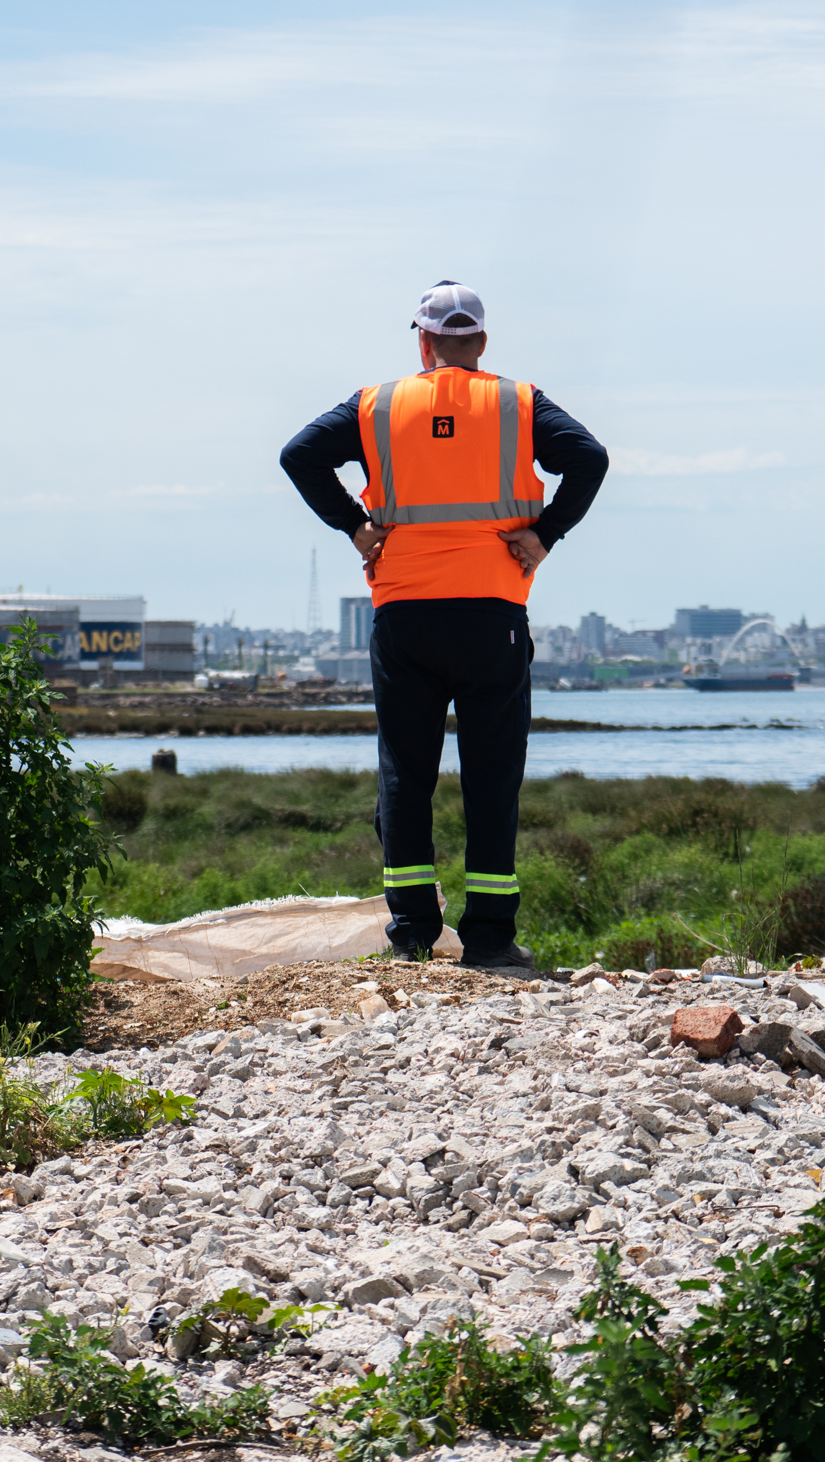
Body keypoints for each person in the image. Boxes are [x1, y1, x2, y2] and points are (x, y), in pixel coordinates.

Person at [280, 280, 608, 972]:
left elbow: (298, 455)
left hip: (404, 614)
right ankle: (489, 938)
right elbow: (590, 458)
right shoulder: (519, 404)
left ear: (422, 343)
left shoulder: (375, 406)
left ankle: (411, 935)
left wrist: (356, 527)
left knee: (406, 773)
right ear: (481, 343)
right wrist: (544, 535)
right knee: (492, 775)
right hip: (493, 614)